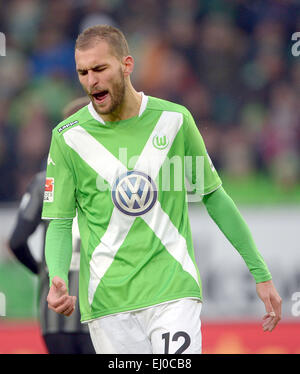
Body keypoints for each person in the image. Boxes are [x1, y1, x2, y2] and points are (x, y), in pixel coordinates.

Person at [42, 25, 282, 354]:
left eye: (100, 69)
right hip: (108, 302)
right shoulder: (67, 137)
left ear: (126, 65)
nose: (90, 81)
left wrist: (260, 272)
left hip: (173, 290)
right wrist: (57, 276)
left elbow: (213, 197)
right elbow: (59, 220)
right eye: (83, 72)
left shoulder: (174, 121)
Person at [9, 97, 95, 354]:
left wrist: (43, 270)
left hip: (56, 317)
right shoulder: (109, 178)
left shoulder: (43, 181)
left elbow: (16, 242)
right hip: (101, 311)